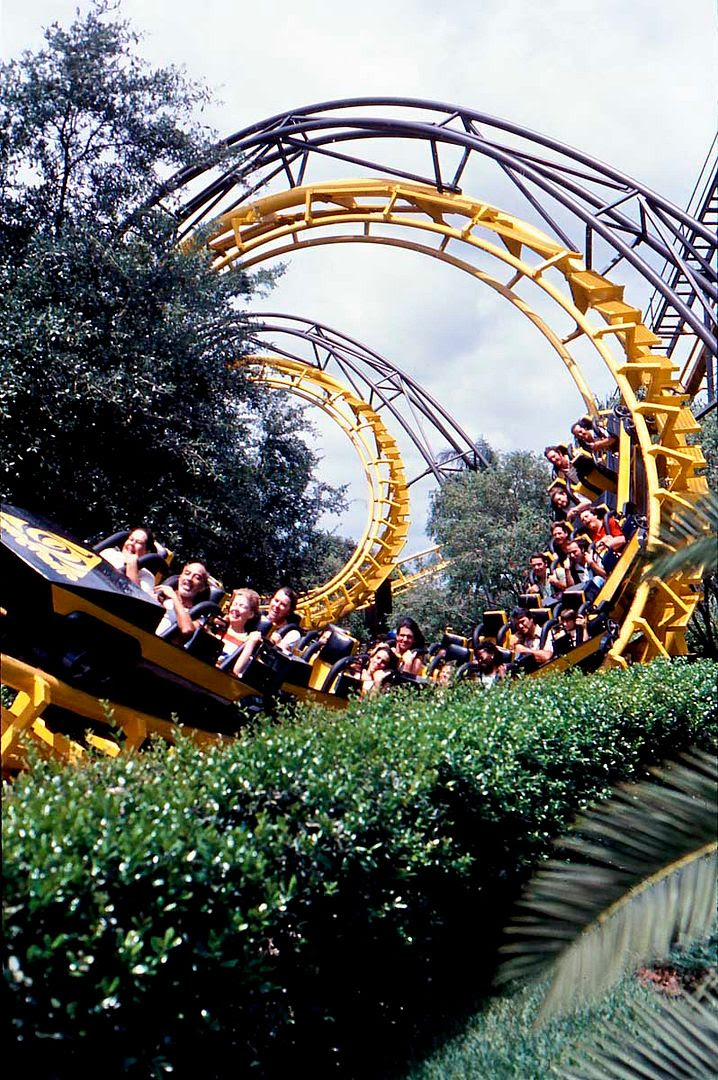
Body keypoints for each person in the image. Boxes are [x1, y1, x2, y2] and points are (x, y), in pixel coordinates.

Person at [233, 587, 302, 676]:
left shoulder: (292, 633)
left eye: (283, 605)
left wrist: (273, 643)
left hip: (257, 669)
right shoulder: (254, 616)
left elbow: (280, 653)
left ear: (289, 611)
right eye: (276, 601)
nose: (277, 606)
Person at [155, 562, 211, 641]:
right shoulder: (162, 597)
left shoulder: (198, 616)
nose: (189, 578)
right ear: (180, 577)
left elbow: (187, 630)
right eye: (187, 573)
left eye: (197, 577)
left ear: (202, 587)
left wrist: (174, 598)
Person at [99, 526, 157, 596]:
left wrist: (132, 565)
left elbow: (137, 597)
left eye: (138, 542)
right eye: (131, 539)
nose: (132, 544)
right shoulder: (109, 552)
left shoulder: (147, 576)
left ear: (147, 552)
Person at [216, 588, 261, 666]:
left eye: (242, 606)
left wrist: (251, 642)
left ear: (251, 614)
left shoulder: (248, 641)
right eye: (234, 604)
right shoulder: (216, 627)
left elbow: (237, 670)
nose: (236, 609)